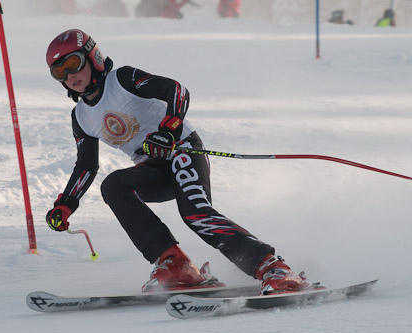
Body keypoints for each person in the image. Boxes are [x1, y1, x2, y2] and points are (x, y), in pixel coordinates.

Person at [44, 29, 311, 295]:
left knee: (195, 214)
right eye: (59, 72)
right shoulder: (81, 116)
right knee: (114, 186)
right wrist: (66, 204)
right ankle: (176, 265)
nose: (70, 76)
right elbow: (86, 166)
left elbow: (176, 90)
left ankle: (272, 267)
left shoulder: (122, 79)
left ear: (94, 58)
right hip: (153, 169)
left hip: (182, 151)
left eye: (73, 64)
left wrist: (168, 129)